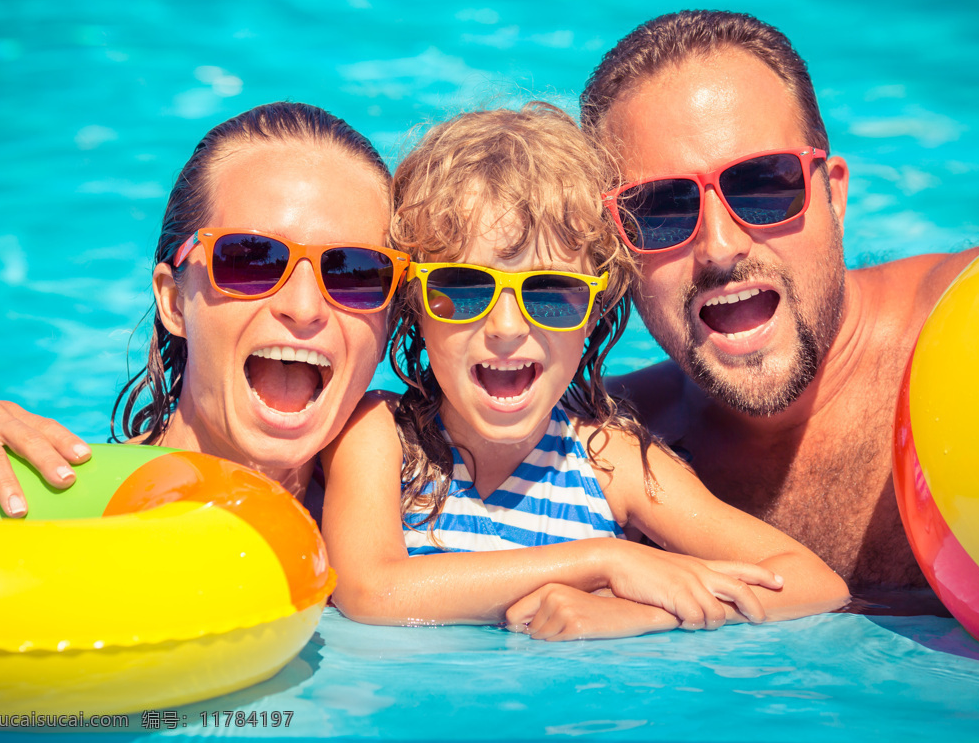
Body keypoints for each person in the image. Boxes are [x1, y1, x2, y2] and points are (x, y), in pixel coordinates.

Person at [322, 103, 848, 641]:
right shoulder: (381, 439)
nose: (506, 327)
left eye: (551, 294)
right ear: (415, 303)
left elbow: (814, 583)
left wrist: (647, 613)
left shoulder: (607, 463)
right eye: (463, 288)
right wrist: (603, 562)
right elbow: (372, 591)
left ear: (595, 310)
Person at [581, 10, 979, 589]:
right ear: (614, 251)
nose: (720, 247)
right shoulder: (599, 446)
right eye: (660, 209)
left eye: (761, 185)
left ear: (834, 194)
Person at [0, 101, 405, 517]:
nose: (303, 306)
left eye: (354, 273)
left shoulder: (425, 535)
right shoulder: (62, 501)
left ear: (388, 323)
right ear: (173, 300)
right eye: (252, 259)